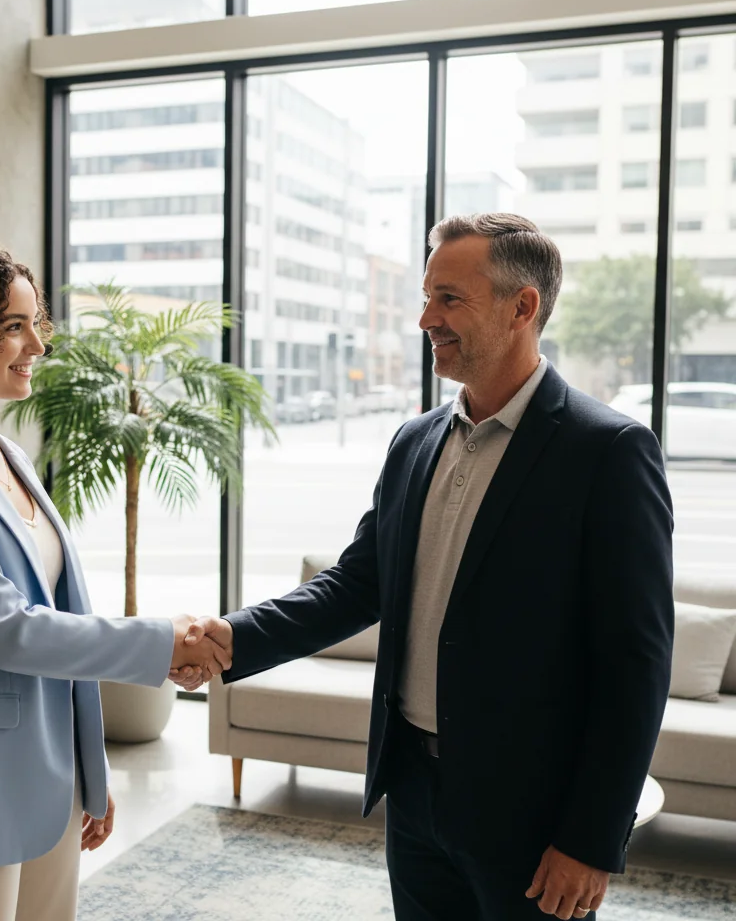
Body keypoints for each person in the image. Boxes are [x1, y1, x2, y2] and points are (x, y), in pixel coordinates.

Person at [173, 213, 674, 921]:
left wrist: (591, 838)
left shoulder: (609, 451)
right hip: (412, 793)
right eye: (426, 296)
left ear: (522, 307)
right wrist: (233, 637)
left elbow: (636, 663)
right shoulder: (414, 441)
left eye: (449, 298)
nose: (424, 319)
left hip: (534, 816)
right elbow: (358, 583)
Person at [0, 218, 229, 921]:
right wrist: (161, 641)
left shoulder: (10, 457)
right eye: (14, 327)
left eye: (36, 324)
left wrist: (89, 769)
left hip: (50, 782)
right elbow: (9, 630)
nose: (38, 344)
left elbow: (61, 611)